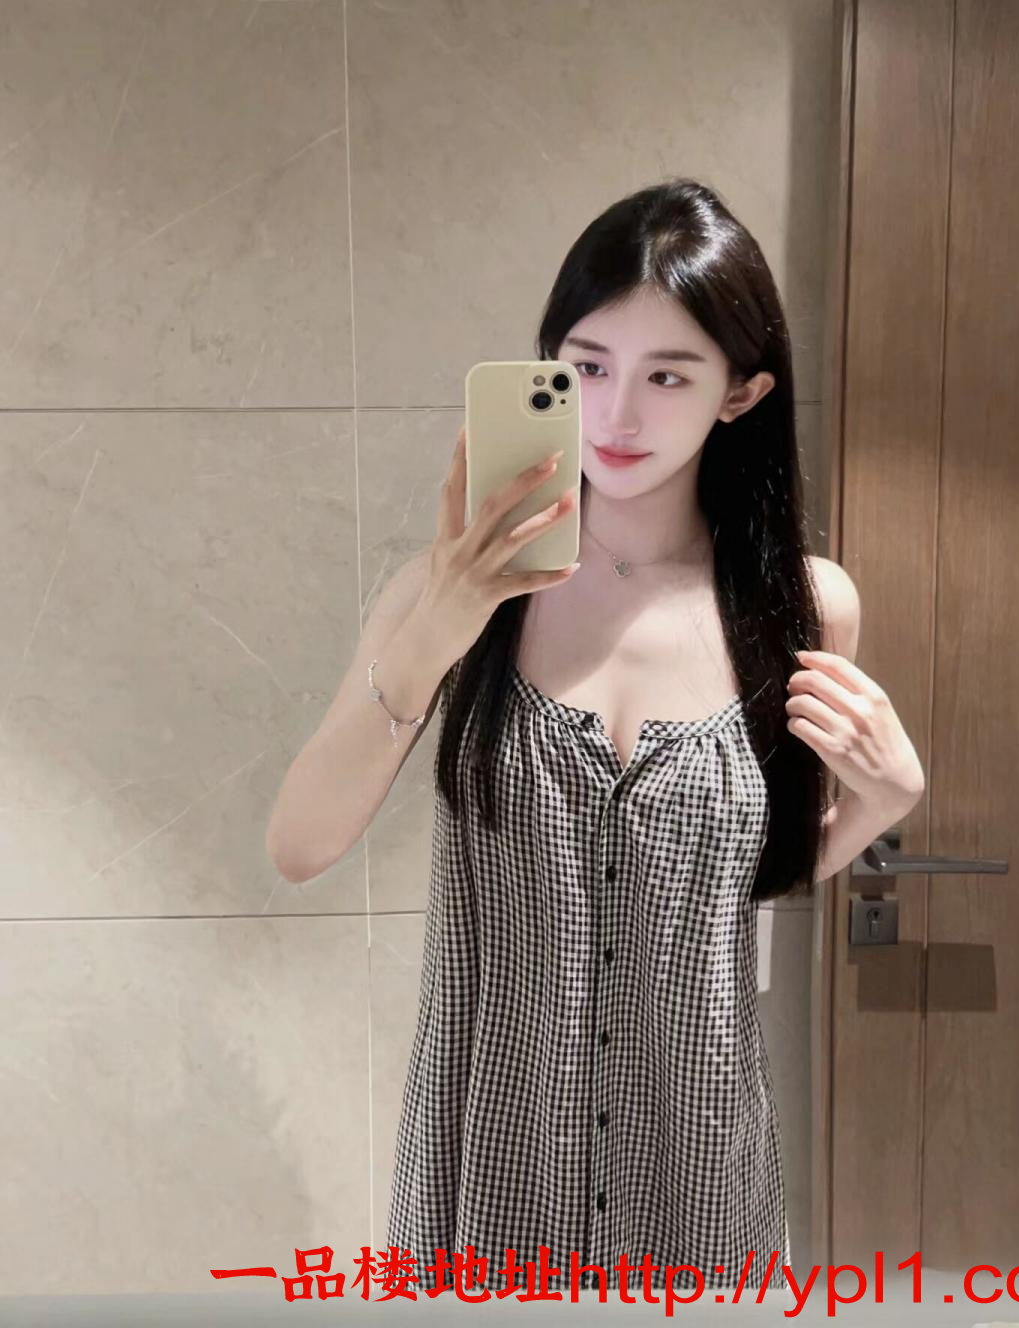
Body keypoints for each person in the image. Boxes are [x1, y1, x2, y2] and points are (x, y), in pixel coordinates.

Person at [265, 177, 925, 1300]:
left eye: (668, 375)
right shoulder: (448, 594)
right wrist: (436, 633)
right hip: (490, 1167)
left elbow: (732, 877)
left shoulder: (803, 607)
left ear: (741, 392)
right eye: (588, 366)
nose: (617, 415)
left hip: (700, 1173)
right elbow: (299, 844)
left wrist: (883, 803)